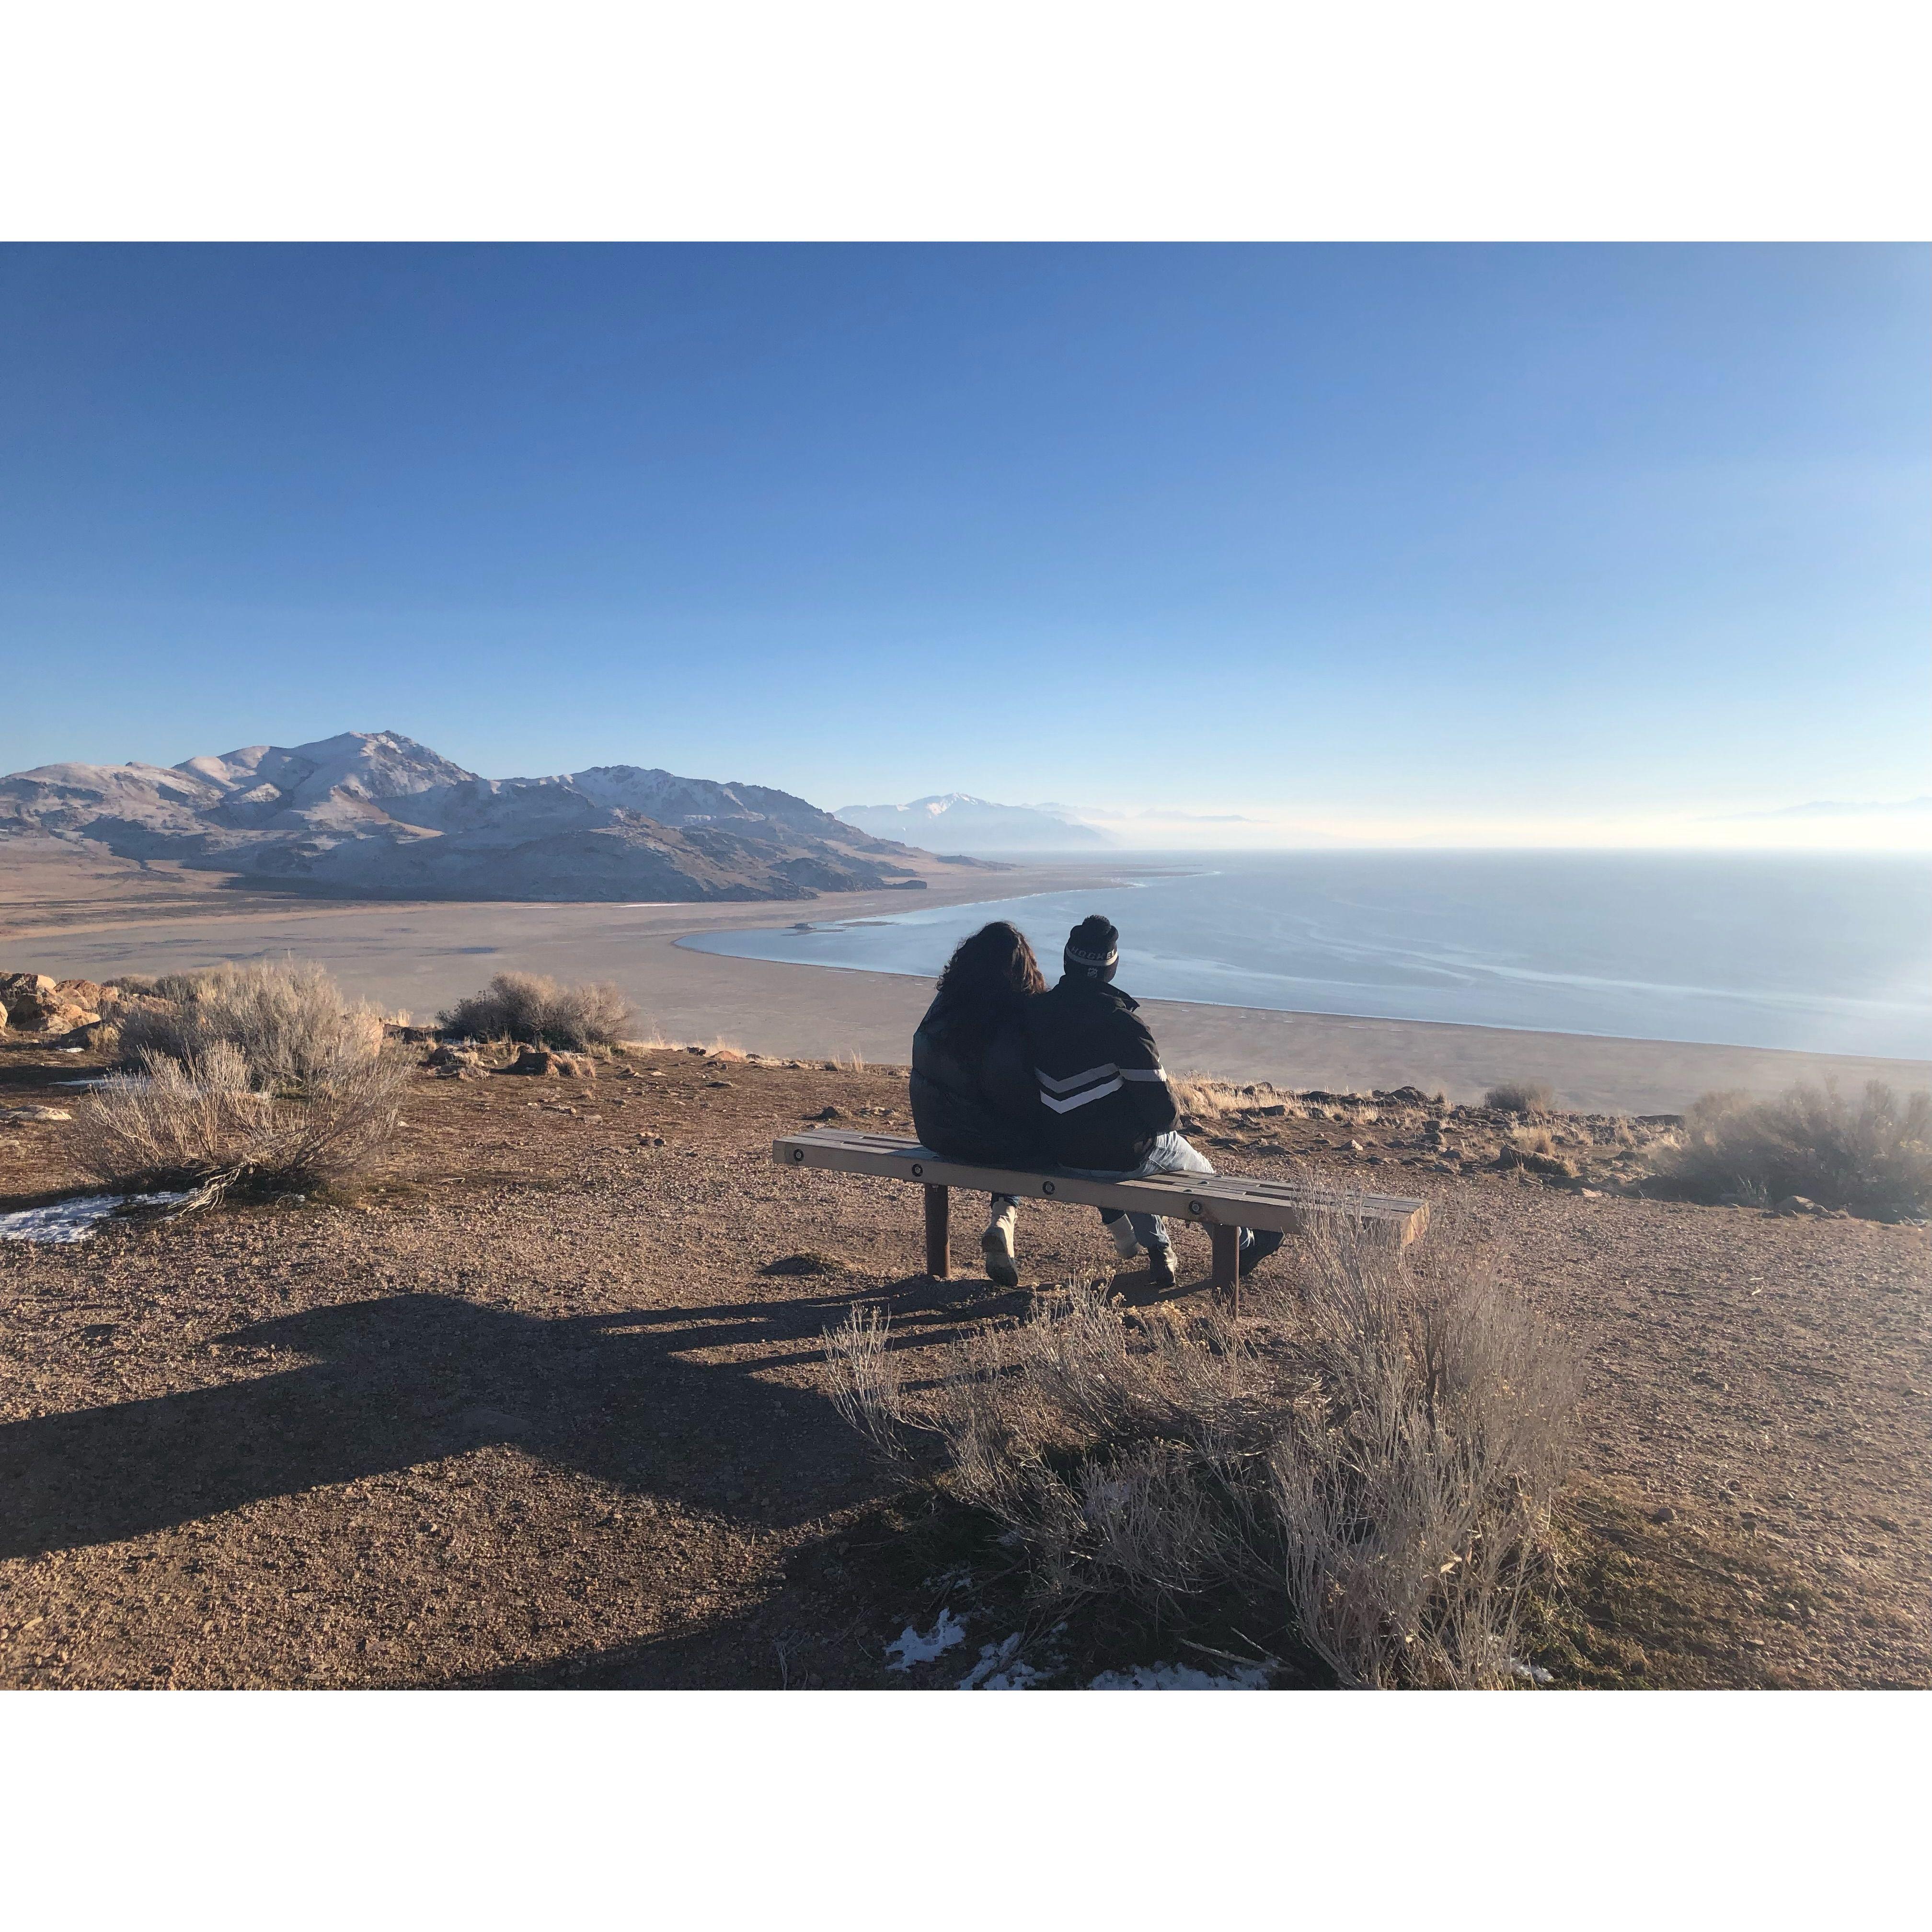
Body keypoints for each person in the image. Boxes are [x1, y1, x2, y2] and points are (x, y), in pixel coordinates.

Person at [1026, 913, 1282, 1291]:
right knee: (1189, 1167)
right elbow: (1162, 1113)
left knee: (1129, 1157)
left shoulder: (1033, 1015)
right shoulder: (1122, 1025)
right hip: (1117, 1156)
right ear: (1111, 967)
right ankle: (1243, 1246)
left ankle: (1159, 1249)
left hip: (1060, 1151)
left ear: (1067, 961)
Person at [909, 920, 1047, 1288]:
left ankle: (1004, 1219)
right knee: (1031, 1138)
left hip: (935, 1134)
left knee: (1003, 1132)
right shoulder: (1012, 1020)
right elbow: (1016, 1102)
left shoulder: (944, 1007)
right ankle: (1005, 1216)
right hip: (990, 1141)